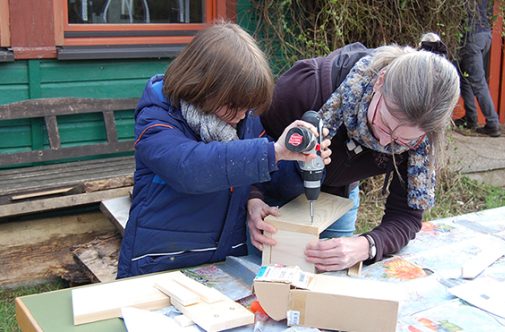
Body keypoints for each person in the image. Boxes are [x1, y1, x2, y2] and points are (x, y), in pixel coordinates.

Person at [117, 22, 331, 278]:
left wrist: (301, 162)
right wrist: (274, 151)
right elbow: (191, 168)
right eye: (234, 105)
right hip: (158, 264)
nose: (242, 116)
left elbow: (273, 180)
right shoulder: (157, 119)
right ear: (202, 86)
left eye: (246, 107)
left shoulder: (242, 119)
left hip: (221, 264)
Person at [247, 34, 460, 272]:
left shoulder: (423, 139)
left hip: (339, 196)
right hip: (274, 189)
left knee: (330, 278)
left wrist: (365, 245)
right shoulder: (307, 88)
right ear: (380, 82)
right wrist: (253, 196)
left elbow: (406, 215)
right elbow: (251, 140)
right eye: (385, 125)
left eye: (403, 141)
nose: (385, 141)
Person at [455, 0, 501, 137]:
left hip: (472, 37)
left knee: (478, 83)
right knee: (466, 77)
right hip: (485, 34)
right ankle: (471, 118)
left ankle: (493, 124)